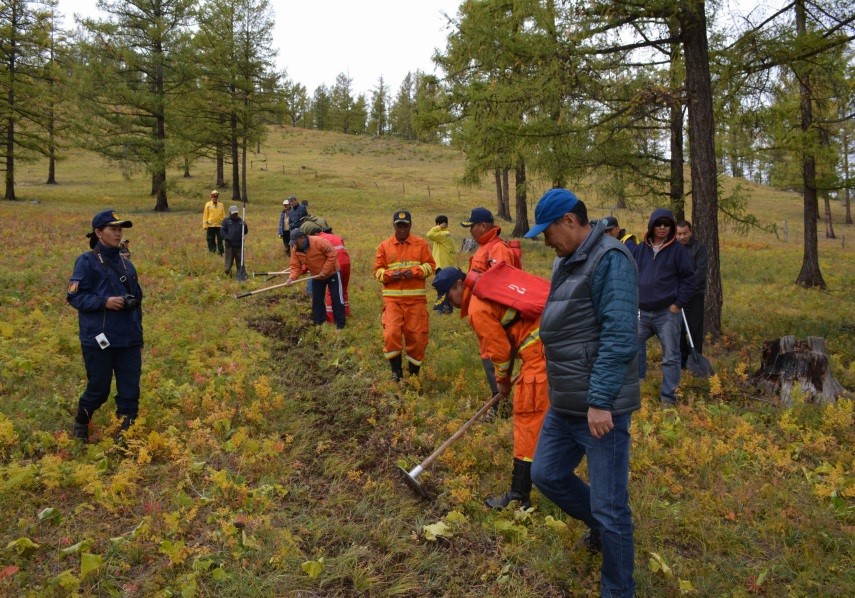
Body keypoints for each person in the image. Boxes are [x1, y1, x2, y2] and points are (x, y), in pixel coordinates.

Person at [524, 188, 640, 597]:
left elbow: (620, 335)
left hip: (597, 407)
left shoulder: (610, 259)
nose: (545, 241)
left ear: (569, 222)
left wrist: (599, 401)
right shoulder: (568, 260)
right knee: (546, 474)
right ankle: (598, 526)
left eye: (548, 231)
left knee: (611, 507)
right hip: (566, 402)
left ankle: (617, 589)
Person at [432, 267, 549, 509]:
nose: (451, 305)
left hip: (542, 355)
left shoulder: (477, 307)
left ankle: (519, 496)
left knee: (527, 419)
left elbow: (501, 352)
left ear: (459, 285)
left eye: (448, 297)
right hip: (549, 344)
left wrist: (502, 382)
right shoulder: (487, 288)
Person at [67, 210, 145, 443]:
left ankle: (126, 434)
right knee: (99, 389)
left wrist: (139, 336)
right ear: (98, 233)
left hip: (128, 338)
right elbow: (74, 297)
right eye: (113, 229)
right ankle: (82, 420)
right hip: (99, 338)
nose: (118, 233)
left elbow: (137, 302)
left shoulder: (127, 264)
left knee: (130, 390)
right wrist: (104, 302)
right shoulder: (87, 261)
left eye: (120, 229)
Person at [632, 208, 695, 406]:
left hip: (667, 313)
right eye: (658, 223)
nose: (662, 227)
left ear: (672, 227)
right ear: (651, 225)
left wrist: (678, 304)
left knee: (670, 356)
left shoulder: (678, 250)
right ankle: (633, 386)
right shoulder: (640, 249)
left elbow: (689, 279)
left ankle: (669, 397)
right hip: (642, 313)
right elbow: (631, 275)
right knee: (629, 346)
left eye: (666, 224)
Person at [460, 207, 518, 402]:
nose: (470, 232)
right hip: (486, 317)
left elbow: (503, 285)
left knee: (497, 355)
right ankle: (497, 400)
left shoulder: (497, 248)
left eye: (472, 227)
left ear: (483, 225)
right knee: (489, 356)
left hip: (495, 318)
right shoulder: (484, 246)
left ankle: (500, 403)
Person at [374, 210, 436, 381]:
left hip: (416, 302)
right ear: (394, 226)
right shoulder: (384, 246)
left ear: (410, 225)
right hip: (392, 301)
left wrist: (416, 271)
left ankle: (414, 376)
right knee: (391, 334)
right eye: (398, 225)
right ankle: (396, 373)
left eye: (405, 225)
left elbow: (430, 266)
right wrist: (388, 275)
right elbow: (377, 271)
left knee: (416, 337)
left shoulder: (421, 244)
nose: (402, 229)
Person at [287, 229, 346, 329]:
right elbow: (295, 266)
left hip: (332, 273)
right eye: (293, 242)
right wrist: (292, 278)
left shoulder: (319, 242)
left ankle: (340, 325)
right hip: (316, 276)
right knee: (317, 300)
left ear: (302, 238)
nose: (295, 244)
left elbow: (332, 255)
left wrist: (325, 271)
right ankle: (319, 324)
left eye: (296, 241)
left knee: (337, 299)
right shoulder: (295, 249)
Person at [675, 220, 708, 369]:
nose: (681, 237)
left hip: (694, 296)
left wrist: (687, 288)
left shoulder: (699, 249)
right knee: (679, 331)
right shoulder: (672, 249)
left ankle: (696, 361)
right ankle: (681, 362)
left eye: (684, 233)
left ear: (690, 232)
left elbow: (700, 272)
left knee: (694, 330)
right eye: (678, 234)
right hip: (677, 297)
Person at [316, 228, 351, 322]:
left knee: (331, 292)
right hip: (346, 263)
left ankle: (331, 319)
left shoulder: (319, 240)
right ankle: (345, 313)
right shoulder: (336, 237)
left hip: (335, 266)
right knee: (342, 290)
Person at [221, 205, 248, 276]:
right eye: (233, 213)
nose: (235, 215)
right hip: (229, 245)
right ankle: (227, 273)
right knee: (229, 261)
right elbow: (222, 231)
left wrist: (245, 225)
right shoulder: (226, 221)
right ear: (230, 213)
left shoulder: (241, 220)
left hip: (239, 245)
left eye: (236, 213)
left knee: (240, 261)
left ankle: (240, 273)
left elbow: (245, 232)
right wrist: (227, 238)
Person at [202, 190, 225, 255]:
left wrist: (224, 225)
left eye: (216, 197)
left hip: (219, 225)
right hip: (210, 225)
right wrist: (205, 225)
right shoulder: (208, 205)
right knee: (210, 239)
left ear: (217, 198)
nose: (215, 198)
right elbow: (205, 215)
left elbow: (223, 215)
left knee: (220, 239)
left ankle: (220, 252)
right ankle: (212, 251)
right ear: (211, 197)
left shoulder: (221, 205)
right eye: (213, 197)